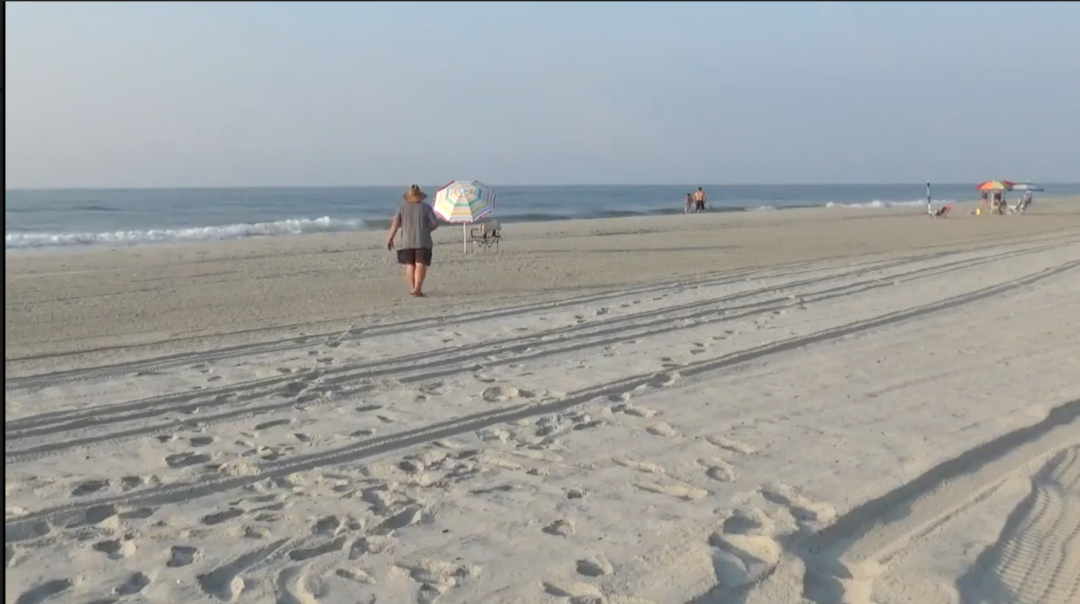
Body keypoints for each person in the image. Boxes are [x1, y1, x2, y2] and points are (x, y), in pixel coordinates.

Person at [386, 185, 439, 297]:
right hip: (423, 240)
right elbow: (435, 224)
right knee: (420, 264)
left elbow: (395, 225)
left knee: (410, 265)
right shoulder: (426, 208)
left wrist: (390, 238)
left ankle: (412, 288)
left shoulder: (402, 208)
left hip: (406, 241)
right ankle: (417, 289)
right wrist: (427, 229)